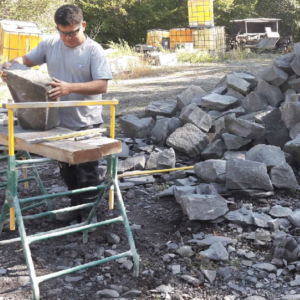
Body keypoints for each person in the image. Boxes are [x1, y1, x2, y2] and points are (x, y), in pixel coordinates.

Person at [1, 4, 113, 222]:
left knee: (86, 171)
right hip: (59, 122)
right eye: (63, 32)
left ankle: (89, 217)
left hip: (86, 123)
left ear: (83, 25)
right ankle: (75, 209)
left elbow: (102, 85)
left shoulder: (94, 50)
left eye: (72, 32)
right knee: (67, 170)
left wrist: (70, 87)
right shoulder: (51, 44)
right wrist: (11, 67)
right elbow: (25, 60)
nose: (68, 38)